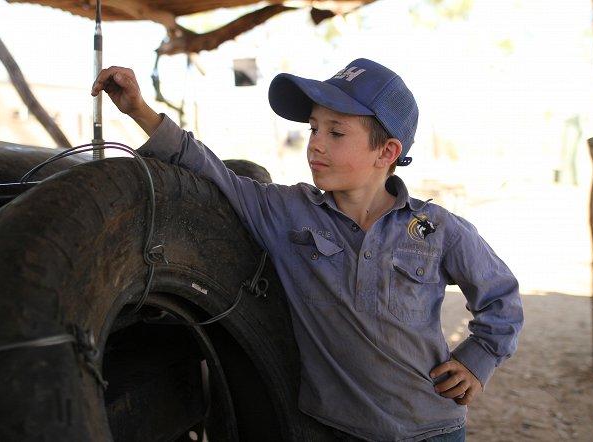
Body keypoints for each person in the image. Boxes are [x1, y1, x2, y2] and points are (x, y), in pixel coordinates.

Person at [92, 59, 523, 442]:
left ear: (387, 152)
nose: (316, 143)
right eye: (314, 128)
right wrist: (138, 110)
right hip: (333, 430)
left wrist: (478, 359)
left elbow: (500, 296)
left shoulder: (435, 228)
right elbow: (210, 170)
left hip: (433, 430)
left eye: (336, 132)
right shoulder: (287, 213)